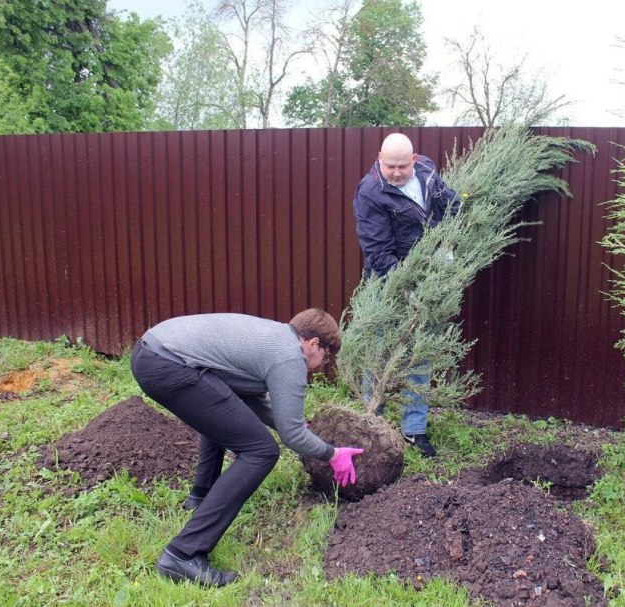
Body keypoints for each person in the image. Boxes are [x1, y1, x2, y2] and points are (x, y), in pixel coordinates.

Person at [130, 309, 363, 587]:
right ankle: (183, 554)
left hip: (150, 352)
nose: (322, 363)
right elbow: (291, 436)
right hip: (168, 364)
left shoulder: (274, 337)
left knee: (222, 412)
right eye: (326, 355)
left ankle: (200, 497)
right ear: (313, 343)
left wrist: (295, 425)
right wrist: (333, 454)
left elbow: (251, 400)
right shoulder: (290, 357)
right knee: (262, 451)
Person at [352, 133, 461, 457]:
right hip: (386, 285)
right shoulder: (370, 192)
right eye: (390, 166)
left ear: (414, 160)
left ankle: (414, 429)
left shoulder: (426, 172)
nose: (397, 173)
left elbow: (453, 204)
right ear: (379, 158)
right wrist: (408, 286)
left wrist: (447, 244)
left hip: (428, 280)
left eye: (402, 166)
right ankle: (372, 424)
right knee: (378, 355)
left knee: (421, 353)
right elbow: (377, 252)